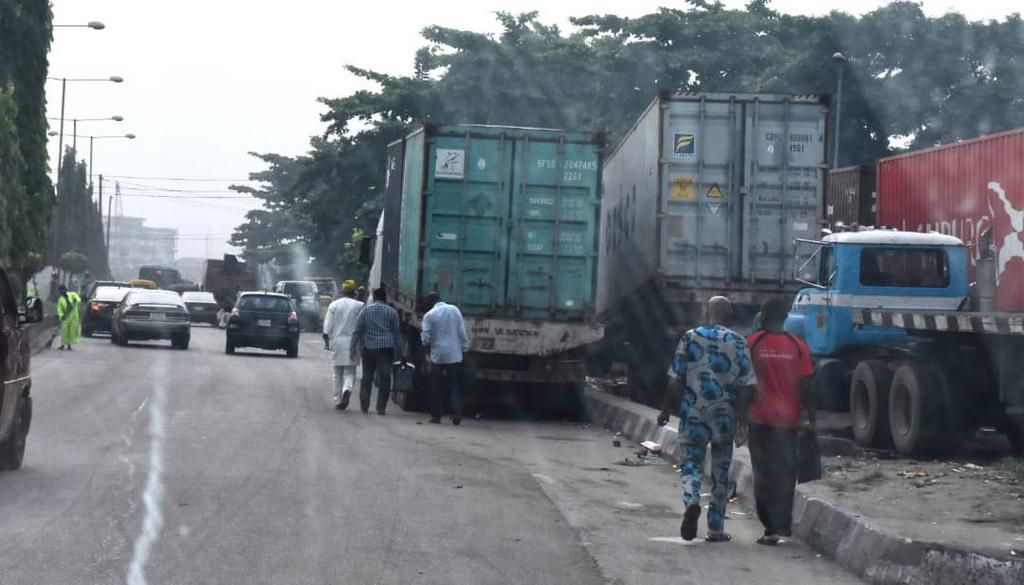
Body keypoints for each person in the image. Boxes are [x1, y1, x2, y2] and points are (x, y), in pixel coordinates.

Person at [657, 296, 756, 543]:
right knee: (721, 470)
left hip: (693, 412)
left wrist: (666, 409)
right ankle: (715, 528)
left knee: (691, 463)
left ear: (706, 312)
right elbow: (747, 386)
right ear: (730, 314)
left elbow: (676, 379)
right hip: (724, 415)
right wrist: (743, 420)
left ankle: (691, 500)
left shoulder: (690, 337)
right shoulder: (739, 342)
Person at [745, 298, 816, 546]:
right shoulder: (798, 346)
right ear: (786, 317)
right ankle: (781, 525)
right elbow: (807, 386)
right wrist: (811, 420)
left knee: (762, 473)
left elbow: (745, 385)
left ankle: (770, 528)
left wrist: (739, 418)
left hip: (759, 419)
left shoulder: (753, 343)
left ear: (764, 315)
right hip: (788, 421)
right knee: (785, 474)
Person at [351, 287, 402, 415]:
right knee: (385, 378)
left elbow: (357, 330)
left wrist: (353, 347)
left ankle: (364, 405)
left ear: (374, 298)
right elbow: (396, 333)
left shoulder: (365, 311)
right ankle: (381, 407)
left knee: (367, 377)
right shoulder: (392, 312)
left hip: (369, 348)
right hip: (386, 350)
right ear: (385, 298)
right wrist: (400, 351)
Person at [421, 292, 469, 425]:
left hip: (438, 356)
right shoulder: (454, 310)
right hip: (455, 355)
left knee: (436, 386)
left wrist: (427, 348)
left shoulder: (429, 316)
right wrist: (465, 349)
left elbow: (426, 339)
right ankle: (457, 411)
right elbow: (462, 331)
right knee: (454, 384)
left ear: (430, 303)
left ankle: (436, 416)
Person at [323, 280, 364, 411]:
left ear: (342, 292)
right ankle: (347, 390)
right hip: (353, 343)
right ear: (354, 293)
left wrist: (326, 339)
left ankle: (338, 399)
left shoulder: (334, 305)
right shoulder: (360, 306)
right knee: (350, 372)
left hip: (337, 342)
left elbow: (327, 327)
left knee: (337, 373)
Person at [56, 284, 82, 351]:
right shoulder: (60, 300)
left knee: (71, 331)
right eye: (60, 290)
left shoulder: (72, 294)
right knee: (64, 331)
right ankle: (62, 345)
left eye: (63, 290)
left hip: (73, 317)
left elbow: (78, 299)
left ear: (66, 289)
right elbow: (59, 309)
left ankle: (69, 346)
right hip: (66, 317)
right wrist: (61, 315)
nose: (62, 291)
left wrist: (74, 301)